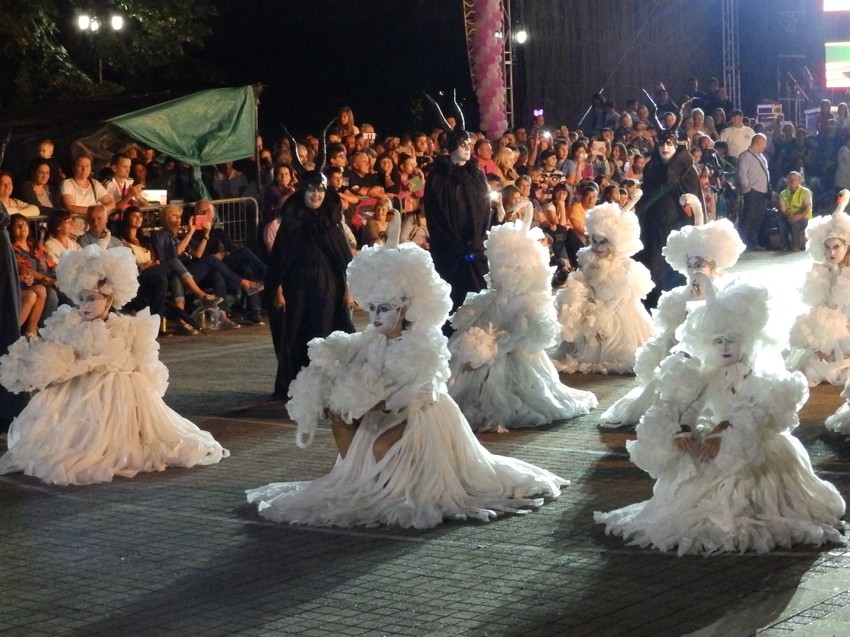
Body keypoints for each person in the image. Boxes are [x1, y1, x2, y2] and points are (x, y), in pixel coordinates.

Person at [247, 215, 567, 529]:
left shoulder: (422, 342)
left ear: (404, 307)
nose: (374, 316)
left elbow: (422, 391)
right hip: (381, 412)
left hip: (420, 419)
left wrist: (372, 402)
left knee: (381, 444)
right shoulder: (370, 339)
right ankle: (364, 481)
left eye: (383, 309)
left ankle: (387, 484)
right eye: (371, 307)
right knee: (340, 420)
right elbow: (352, 366)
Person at [594, 282, 845, 555]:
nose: (725, 347)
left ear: (746, 339)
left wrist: (723, 429)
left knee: (744, 481)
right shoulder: (711, 372)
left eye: (732, 339)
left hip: (752, 440)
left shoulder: (756, 372)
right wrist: (684, 428)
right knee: (694, 469)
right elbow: (695, 404)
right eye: (718, 340)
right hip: (715, 436)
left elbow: (752, 406)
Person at [0, 245, 229, 485]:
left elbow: (94, 362)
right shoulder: (73, 323)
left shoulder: (123, 329)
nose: (85, 305)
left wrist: (56, 373)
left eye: (92, 299)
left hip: (115, 390)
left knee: (104, 410)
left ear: (109, 300)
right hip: (80, 389)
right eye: (82, 299)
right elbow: (63, 354)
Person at [447, 214, 597, 433]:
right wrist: (476, 343)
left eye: (501, 268)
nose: (494, 273)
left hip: (513, 357)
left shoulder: (528, 302)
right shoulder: (493, 297)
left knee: (496, 378)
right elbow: (481, 321)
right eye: (493, 267)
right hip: (488, 349)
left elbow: (522, 335)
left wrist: (491, 347)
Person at [601, 202, 745, 427]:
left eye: (700, 264)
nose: (694, 270)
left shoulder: (725, 293)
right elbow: (669, 340)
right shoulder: (678, 297)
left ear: (713, 265)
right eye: (689, 265)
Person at [266, 128, 355, 399]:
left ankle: (325, 385)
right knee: (295, 333)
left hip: (327, 285)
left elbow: (342, 255)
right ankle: (297, 385)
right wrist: (278, 288)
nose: (316, 195)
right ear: (302, 191)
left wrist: (348, 287)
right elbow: (280, 257)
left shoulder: (330, 221)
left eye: (320, 189)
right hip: (296, 285)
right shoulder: (292, 221)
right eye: (311, 190)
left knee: (325, 331)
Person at [552, 203, 654, 374]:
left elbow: (617, 299)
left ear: (615, 242)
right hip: (589, 313)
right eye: (594, 241)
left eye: (603, 243)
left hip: (616, 318)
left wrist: (601, 326)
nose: (598, 248)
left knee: (616, 353)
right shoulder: (588, 258)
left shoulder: (624, 266)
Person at [422, 96, 491, 316]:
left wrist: (478, 237)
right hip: (449, 250)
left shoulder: (476, 174)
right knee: (453, 297)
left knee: (479, 294)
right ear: (452, 147)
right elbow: (435, 214)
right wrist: (450, 243)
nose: (467, 148)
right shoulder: (437, 176)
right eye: (463, 145)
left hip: (474, 245)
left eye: (468, 144)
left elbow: (484, 208)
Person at [786, 192, 850, 386]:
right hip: (828, 330)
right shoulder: (820, 273)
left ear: (846, 246)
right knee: (812, 366)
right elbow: (818, 309)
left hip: (846, 330)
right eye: (827, 247)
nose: (831, 253)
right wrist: (819, 342)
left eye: (836, 247)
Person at [60, 154, 116, 237]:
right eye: (80, 166)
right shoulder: (67, 184)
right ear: (74, 168)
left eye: (87, 166)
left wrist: (100, 211)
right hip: (75, 232)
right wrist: (94, 211)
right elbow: (70, 207)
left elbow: (111, 203)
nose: (84, 169)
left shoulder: (95, 184)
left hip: (95, 231)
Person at [736, 133, 771, 251]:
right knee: (748, 218)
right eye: (764, 143)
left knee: (757, 218)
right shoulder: (746, 156)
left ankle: (753, 243)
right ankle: (743, 244)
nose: (765, 146)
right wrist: (747, 188)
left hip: (762, 191)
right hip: (753, 192)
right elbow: (742, 173)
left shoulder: (761, 156)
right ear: (757, 142)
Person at [776, 171, 813, 251]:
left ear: (799, 181)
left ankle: (796, 246)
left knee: (795, 222)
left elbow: (807, 207)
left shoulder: (806, 192)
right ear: (788, 181)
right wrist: (790, 216)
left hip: (803, 218)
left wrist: (798, 216)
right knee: (780, 222)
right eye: (791, 179)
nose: (793, 181)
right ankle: (785, 245)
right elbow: (782, 209)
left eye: (795, 179)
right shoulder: (782, 194)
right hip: (788, 216)